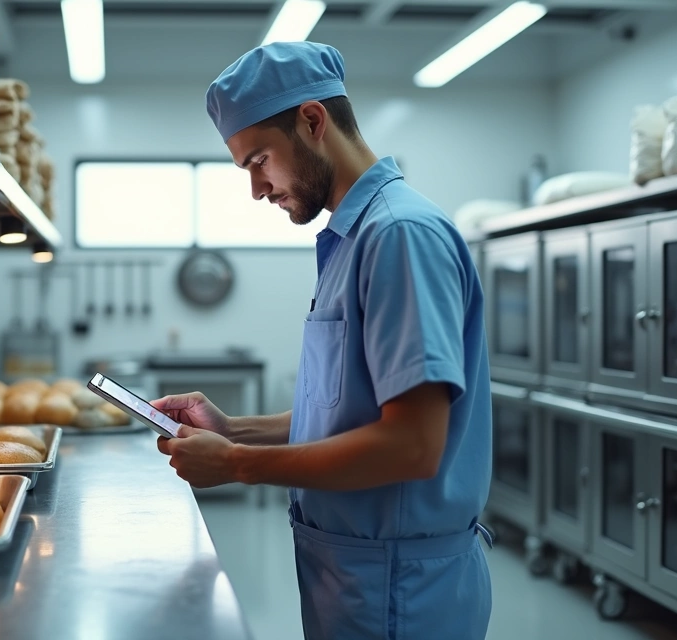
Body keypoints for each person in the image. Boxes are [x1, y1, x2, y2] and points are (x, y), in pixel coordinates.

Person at [152, 41, 493, 639]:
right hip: (356, 575)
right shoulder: (352, 240)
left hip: (399, 589)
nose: (257, 189)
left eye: (258, 160)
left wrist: (236, 463)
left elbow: (412, 444)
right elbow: (344, 411)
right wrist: (234, 429)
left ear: (312, 121)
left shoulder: (399, 236)